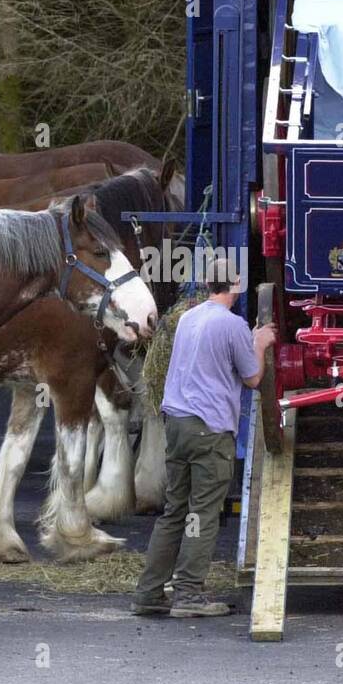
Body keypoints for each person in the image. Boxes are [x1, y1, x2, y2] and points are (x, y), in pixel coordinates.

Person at [132, 258, 275, 618]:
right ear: (236, 284)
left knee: (173, 511)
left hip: (177, 425)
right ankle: (189, 594)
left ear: (207, 284)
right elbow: (253, 378)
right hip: (209, 430)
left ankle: (149, 593)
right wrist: (260, 341)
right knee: (204, 513)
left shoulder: (188, 319)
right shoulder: (234, 325)